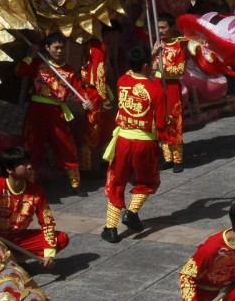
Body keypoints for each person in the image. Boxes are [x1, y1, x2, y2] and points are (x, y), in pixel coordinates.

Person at [100, 44, 168, 243]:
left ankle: (111, 228)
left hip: (123, 140)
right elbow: (162, 124)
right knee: (148, 181)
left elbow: (135, 74)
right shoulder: (157, 90)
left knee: (116, 181)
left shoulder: (122, 81)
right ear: (147, 65)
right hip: (145, 142)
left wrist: (150, 58)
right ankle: (131, 212)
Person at [15, 32, 93, 196]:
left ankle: (76, 184)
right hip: (37, 111)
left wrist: (85, 101)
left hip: (57, 112)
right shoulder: (38, 64)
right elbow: (21, 72)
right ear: (47, 48)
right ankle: (30, 185)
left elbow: (78, 90)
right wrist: (31, 55)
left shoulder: (68, 70)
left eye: (61, 48)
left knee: (66, 146)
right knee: (33, 146)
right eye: (56, 47)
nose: (59, 51)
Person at [0, 146, 69, 268]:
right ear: (9, 169)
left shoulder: (37, 192)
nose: (29, 166)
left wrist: (49, 253)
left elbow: (47, 222)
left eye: (29, 163)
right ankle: (3, 259)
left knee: (61, 238)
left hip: (20, 238)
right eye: (24, 164)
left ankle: (17, 260)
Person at [79, 22, 120, 174]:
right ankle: (90, 167)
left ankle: (101, 163)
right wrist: (105, 99)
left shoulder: (91, 44)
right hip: (95, 94)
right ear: (113, 34)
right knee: (94, 129)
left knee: (105, 128)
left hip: (93, 91)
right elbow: (99, 75)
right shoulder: (99, 47)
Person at [155, 12, 188, 172]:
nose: (160, 31)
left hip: (172, 86)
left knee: (174, 120)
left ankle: (178, 159)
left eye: (163, 27)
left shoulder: (179, 45)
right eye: (158, 27)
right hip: (157, 85)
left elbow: (180, 69)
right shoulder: (156, 43)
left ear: (172, 27)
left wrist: (162, 69)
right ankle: (167, 157)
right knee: (160, 119)